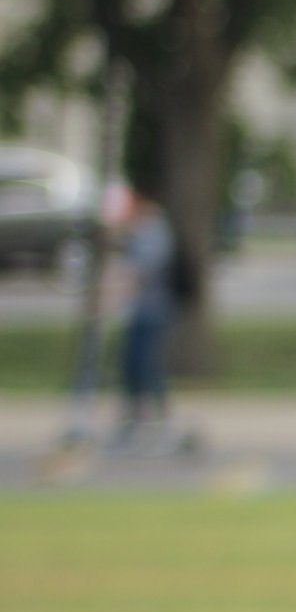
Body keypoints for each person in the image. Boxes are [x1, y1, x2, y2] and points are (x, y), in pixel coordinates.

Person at [111, 189, 176, 447]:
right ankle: (134, 413)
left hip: (152, 310)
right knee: (131, 364)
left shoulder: (154, 231)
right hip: (140, 310)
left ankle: (156, 415)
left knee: (146, 363)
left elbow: (144, 268)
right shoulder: (143, 231)